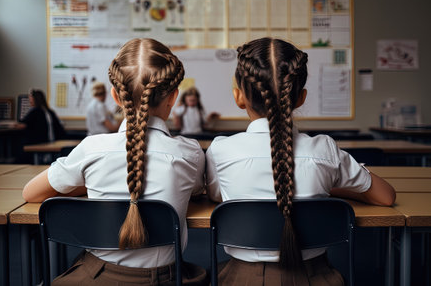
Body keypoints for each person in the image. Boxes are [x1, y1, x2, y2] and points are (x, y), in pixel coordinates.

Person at [205, 37, 396, 286]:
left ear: (239, 97)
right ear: (301, 98)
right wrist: (327, 188)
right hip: (315, 277)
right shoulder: (324, 150)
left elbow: (218, 196)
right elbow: (386, 197)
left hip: (240, 278)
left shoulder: (221, 150)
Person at [22, 38, 207, 285]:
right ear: (173, 97)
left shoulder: (92, 149)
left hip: (98, 276)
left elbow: (31, 193)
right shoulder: (190, 153)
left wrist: (88, 183)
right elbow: (195, 191)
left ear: (115, 96)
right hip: (166, 278)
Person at [17, 89, 66, 163]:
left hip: (38, 143)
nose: (30, 101)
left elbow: (22, 125)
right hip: (51, 141)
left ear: (35, 99)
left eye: (31, 99)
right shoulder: (49, 111)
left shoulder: (35, 111)